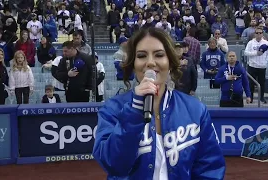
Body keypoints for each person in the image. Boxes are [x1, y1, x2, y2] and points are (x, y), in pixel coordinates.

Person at [93, 27, 225, 179]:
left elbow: (209, 169)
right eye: (141, 56)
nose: (150, 62)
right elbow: (113, 165)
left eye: (159, 55)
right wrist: (135, 110)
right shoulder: (112, 109)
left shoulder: (196, 110)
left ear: (169, 62)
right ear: (133, 64)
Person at [244, 27, 268, 103]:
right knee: (251, 83)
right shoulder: (250, 43)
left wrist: (266, 61)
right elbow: (246, 53)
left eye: (260, 33)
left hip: (262, 66)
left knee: (262, 83)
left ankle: (261, 97)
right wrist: (255, 53)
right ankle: (251, 97)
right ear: (254, 34)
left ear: (262, 34)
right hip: (252, 66)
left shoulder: (266, 43)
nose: (258, 34)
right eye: (257, 33)